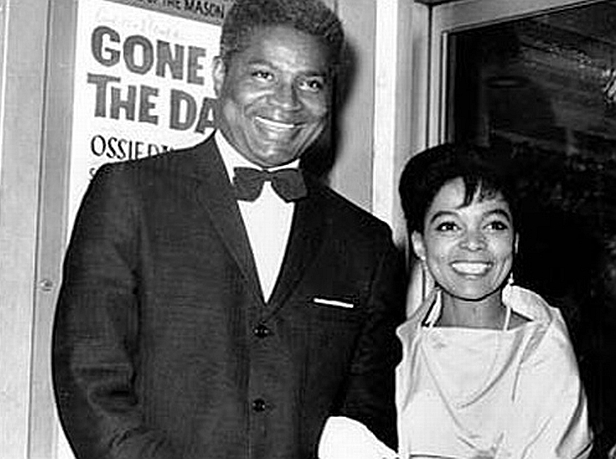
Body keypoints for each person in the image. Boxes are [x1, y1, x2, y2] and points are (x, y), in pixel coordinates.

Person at [51, 1, 407, 458]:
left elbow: (365, 415)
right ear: (220, 74)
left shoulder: (365, 243)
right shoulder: (131, 193)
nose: (286, 102)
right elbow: (89, 377)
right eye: (263, 75)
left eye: (310, 83)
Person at [395, 143, 593, 458]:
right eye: (449, 226)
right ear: (420, 244)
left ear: (514, 242)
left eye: (493, 225)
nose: (473, 242)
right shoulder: (399, 348)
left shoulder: (543, 347)